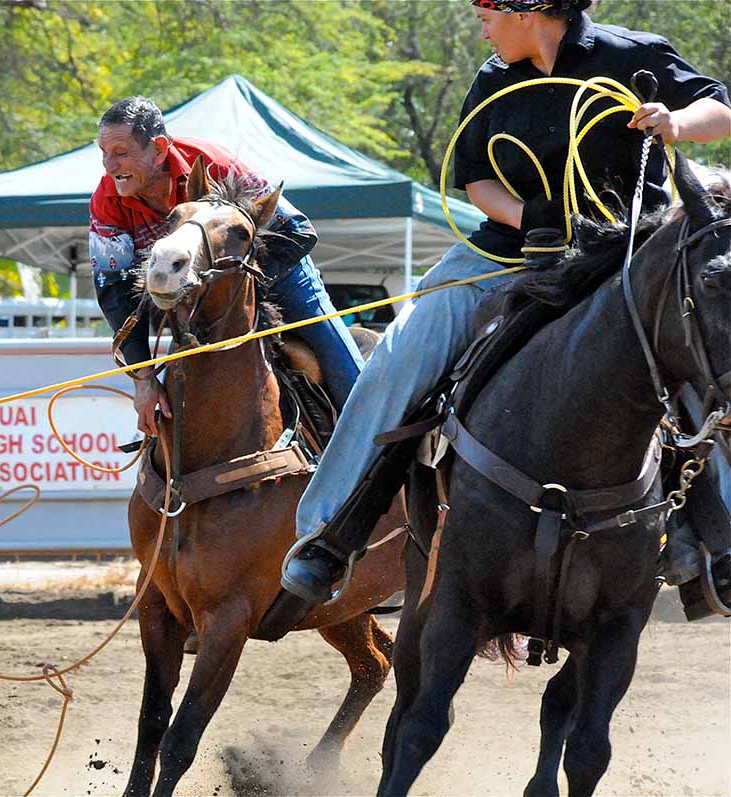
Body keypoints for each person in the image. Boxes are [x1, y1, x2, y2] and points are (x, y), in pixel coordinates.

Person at [282, 0, 731, 616]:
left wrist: (675, 122)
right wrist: (534, 217)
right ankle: (330, 534)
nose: (481, 25)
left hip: (619, 255)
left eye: (486, 11)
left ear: (529, 8)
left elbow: (720, 109)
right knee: (398, 357)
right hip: (502, 254)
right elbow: (477, 183)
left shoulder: (631, 56)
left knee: (695, 353)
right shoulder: (493, 79)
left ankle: (710, 543)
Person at [90, 96, 365, 437]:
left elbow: (298, 232)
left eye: (120, 152)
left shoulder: (216, 164)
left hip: (280, 276)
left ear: (159, 148)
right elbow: (115, 292)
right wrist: (143, 380)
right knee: (160, 416)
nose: (109, 165)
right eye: (103, 152)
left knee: (351, 378)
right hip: (196, 298)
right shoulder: (105, 202)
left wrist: (242, 283)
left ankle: (380, 452)